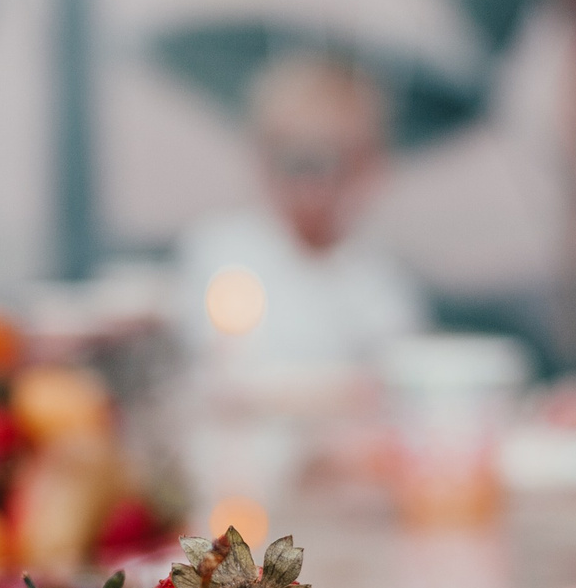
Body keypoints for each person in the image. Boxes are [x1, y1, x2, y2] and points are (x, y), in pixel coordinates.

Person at [170, 52, 428, 387]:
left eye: (333, 163)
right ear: (263, 160)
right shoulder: (221, 253)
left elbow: (396, 371)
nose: (311, 186)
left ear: (369, 168)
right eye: (295, 162)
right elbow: (209, 366)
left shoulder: (378, 275)